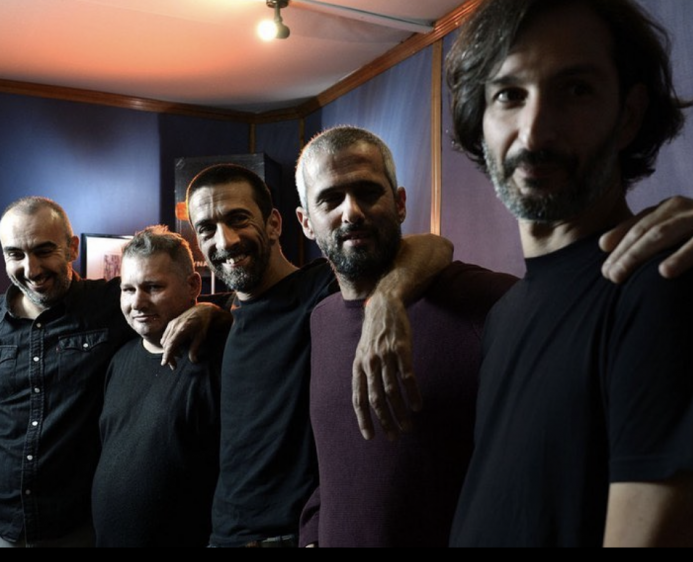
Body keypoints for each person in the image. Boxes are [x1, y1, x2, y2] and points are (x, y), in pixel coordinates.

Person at [442, 0, 693, 547]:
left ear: (628, 116)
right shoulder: (505, 316)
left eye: (576, 90)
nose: (535, 132)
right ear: (481, 118)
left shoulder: (670, 288)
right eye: (509, 94)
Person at [184, 163, 453, 547]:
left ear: (274, 224)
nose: (224, 241)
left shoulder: (322, 288)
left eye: (238, 219)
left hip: (295, 535)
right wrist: (206, 310)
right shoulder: (226, 314)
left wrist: (388, 297)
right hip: (223, 538)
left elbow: (434, 246)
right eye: (206, 229)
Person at [0, 197, 219, 547]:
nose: (31, 269)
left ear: (71, 248)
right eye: (15, 254)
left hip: (74, 529)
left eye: (44, 250)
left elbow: (171, 296)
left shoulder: (111, 303)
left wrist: (210, 311)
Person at [293, 125, 518, 547]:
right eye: (330, 199)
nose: (351, 212)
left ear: (399, 204)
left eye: (368, 192)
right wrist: (311, 534)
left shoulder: (485, 301)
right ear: (306, 222)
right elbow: (335, 463)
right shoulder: (320, 320)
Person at [91, 225, 225, 547]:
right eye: (128, 289)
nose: (137, 302)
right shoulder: (119, 359)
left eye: (152, 287)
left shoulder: (215, 359)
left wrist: (215, 312)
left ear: (193, 285)